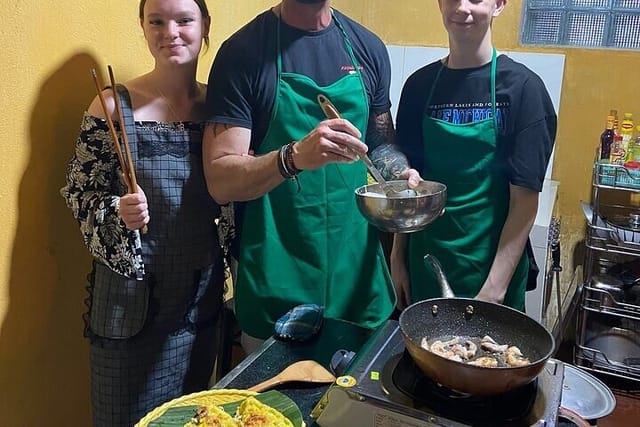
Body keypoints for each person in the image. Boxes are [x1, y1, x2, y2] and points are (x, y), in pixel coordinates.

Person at [203, 0, 420, 352]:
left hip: (356, 280)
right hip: (277, 277)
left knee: (353, 405)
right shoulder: (242, 53)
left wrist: (400, 172)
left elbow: (379, 145)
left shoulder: (368, 48)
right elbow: (220, 180)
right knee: (274, 407)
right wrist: (293, 157)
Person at [60, 1, 224, 425]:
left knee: (194, 416)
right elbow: (79, 193)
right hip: (129, 310)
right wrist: (116, 211)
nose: (170, 31)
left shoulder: (220, 110)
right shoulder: (112, 106)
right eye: (157, 20)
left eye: (184, 20)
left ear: (205, 25)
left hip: (197, 303)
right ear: (143, 27)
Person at [391, 0, 557, 312]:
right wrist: (398, 256)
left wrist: (493, 292)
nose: (462, 8)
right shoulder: (418, 87)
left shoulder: (524, 90)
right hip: (427, 262)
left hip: (493, 271)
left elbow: (524, 202)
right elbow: (409, 187)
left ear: (499, 5)